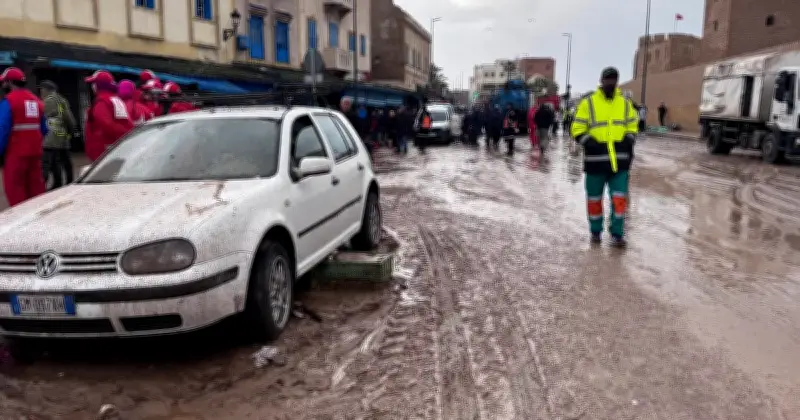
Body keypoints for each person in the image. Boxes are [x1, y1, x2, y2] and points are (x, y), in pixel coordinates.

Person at [570, 67, 638, 247]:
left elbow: (633, 125)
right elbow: (577, 128)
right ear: (601, 81)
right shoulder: (588, 103)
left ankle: (617, 234)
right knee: (594, 200)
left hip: (619, 163)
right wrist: (589, 142)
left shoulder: (625, 104)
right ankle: (595, 232)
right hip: (595, 162)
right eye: (608, 79)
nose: (611, 82)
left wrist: (629, 139)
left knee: (619, 200)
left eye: (614, 79)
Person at [0, 67, 48, 206]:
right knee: (36, 188)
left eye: (4, 82)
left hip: (15, 154)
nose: (3, 85)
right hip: (35, 153)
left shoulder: (9, 101)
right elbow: (45, 128)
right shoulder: (36, 101)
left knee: (15, 190)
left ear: (9, 82)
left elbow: (2, 129)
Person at [83, 70, 134, 162]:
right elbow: (126, 124)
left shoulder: (101, 102)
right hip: (115, 148)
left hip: (103, 151)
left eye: (93, 83)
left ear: (98, 85)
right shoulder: (116, 100)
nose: (92, 86)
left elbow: (106, 124)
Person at [40, 80, 77, 190]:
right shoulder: (61, 100)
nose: (41, 92)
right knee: (65, 162)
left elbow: (41, 119)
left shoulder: (46, 102)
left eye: (41, 90)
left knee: (49, 163)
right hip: (62, 136)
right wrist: (71, 132)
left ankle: (53, 185)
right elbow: (69, 119)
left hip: (49, 137)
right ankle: (69, 183)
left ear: (45, 90)